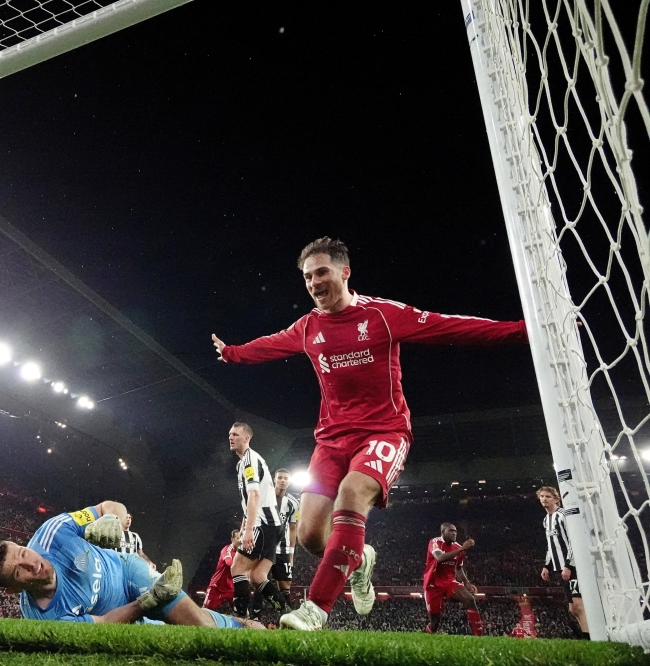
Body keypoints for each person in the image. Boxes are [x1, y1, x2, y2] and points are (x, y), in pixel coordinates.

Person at [212, 237, 528, 630]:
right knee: (310, 536)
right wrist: (234, 353)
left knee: (352, 492)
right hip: (331, 440)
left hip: (384, 431)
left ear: (345, 273)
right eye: (308, 276)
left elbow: (451, 326)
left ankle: (317, 608)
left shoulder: (381, 315)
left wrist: (520, 331)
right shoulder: (308, 326)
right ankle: (360, 560)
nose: (313, 282)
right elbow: (271, 345)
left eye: (321, 272)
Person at [0, 500, 262, 628]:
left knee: (201, 628)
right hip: (124, 613)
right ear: (13, 591)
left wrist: (111, 517)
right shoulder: (45, 617)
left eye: (24, 553)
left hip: (127, 569)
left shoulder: (54, 532)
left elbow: (109, 505)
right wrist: (144, 605)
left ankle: (242, 625)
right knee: (175, 633)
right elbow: (101, 623)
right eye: (19, 571)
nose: (32, 564)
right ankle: (243, 624)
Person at [228, 422, 288, 619]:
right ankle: (286, 613)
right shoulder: (245, 461)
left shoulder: (249, 461)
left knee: (238, 568)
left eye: (236, 434)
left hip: (263, 524)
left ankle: (239, 619)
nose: (231, 437)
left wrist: (248, 531)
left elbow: (254, 495)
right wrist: (245, 522)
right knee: (257, 576)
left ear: (247, 438)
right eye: (230, 434)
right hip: (273, 525)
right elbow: (253, 498)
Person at [537, 486, 589, 639]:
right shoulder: (546, 520)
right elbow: (551, 545)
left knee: (579, 605)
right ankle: (586, 635)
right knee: (572, 609)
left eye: (547, 496)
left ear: (556, 499)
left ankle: (589, 638)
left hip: (572, 566)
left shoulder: (563, 515)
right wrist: (547, 565)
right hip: (559, 567)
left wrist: (569, 564)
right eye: (541, 496)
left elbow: (574, 540)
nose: (544, 499)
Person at [422, 523, 483, 636]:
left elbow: (459, 568)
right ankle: (428, 633)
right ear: (443, 532)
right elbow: (439, 558)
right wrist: (462, 548)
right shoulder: (435, 542)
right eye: (450, 531)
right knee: (435, 623)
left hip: (449, 581)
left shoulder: (458, 547)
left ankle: (480, 636)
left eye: (455, 531)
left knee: (469, 599)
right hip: (433, 584)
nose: (454, 533)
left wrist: (467, 583)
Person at [273, 468, 300, 603]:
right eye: (280, 478)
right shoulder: (264, 497)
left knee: (285, 585)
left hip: (282, 549)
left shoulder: (294, 503)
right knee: (258, 580)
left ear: (289, 482)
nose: (282, 481)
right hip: (264, 547)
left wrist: (291, 554)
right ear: (275, 480)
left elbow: (293, 528)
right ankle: (255, 617)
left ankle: (285, 614)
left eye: (285, 478)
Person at [203, 530, 239, 611]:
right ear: (232, 539)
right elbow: (229, 563)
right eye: (238, 538)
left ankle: (246, 622)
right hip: (217, 586)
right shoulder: (227, 549)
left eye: (241, 538)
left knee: (241, 610)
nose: (240, 540)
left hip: (231, 588)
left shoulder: (241, 552)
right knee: (206, 610)